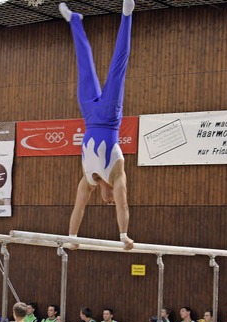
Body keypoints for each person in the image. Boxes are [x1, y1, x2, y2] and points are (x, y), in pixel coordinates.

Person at [60, 0, 135, 251]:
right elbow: (124, 205)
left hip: (89, 114)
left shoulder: (87, 181)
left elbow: (78, 207)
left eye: (108, 202)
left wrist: (72, 238)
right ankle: (126, 15)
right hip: (110, 116)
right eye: (112, 200)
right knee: (118, 67)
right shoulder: (118, 176)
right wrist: (123, 235)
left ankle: (75, 20)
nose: (110, 201)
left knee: (84, 65)